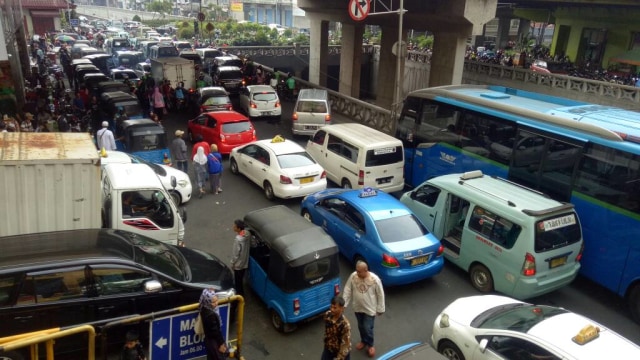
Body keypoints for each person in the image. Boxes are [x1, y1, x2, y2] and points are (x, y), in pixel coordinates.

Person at [342, 260, 385, 358]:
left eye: (359, 271)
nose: (357, 273)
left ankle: (370, 344)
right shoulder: (353, 276)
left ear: (365, 270)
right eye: (356, 270)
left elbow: (380, 294)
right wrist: (344, 304)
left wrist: (380, 308)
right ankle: (363, 341)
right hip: (357, 307)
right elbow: (348, 289)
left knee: (367, 328)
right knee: (361, 326)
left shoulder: (375, 279)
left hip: (369, 309)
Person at [199, 289, 227, 360]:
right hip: (214, 342)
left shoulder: (203, 308)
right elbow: (215, 332)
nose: (216, 303)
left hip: (209, 341)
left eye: (216, 301)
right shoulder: (211, 315)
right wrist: (221, 343)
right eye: (213, 302)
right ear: (207, 301)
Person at [322, 296, 351, 360]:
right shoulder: (327, 315)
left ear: (342, 309)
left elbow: (345, 344)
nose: (332, 309)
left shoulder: (345, 324)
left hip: (340, 351)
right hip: (328, 348)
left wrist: (339, 358)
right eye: (331, 307)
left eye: (335, 308)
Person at [230, 219, 250, 298]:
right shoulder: (247, 234)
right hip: (245, 262)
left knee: (238, 283)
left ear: (238, 228)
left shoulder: (238, 240)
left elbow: (235, 254)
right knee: (240, 279)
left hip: (238, 265)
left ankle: (240, 297)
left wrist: (232, 263)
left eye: (234, 226)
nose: (233, 227)